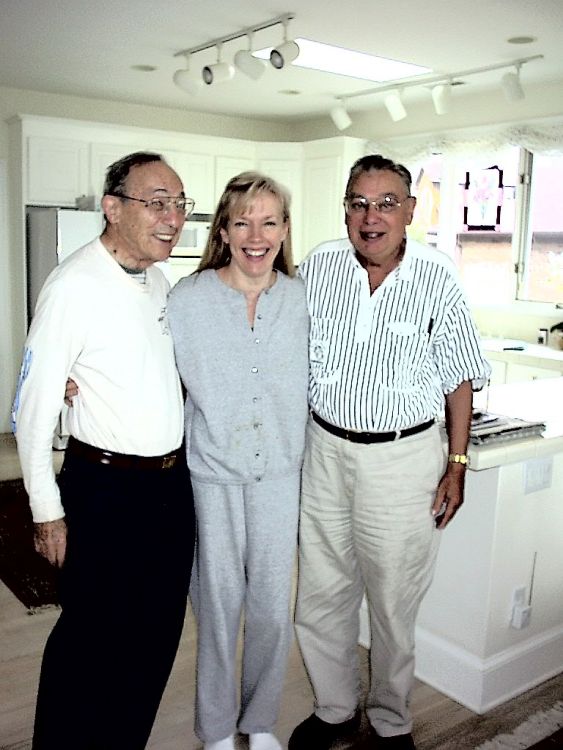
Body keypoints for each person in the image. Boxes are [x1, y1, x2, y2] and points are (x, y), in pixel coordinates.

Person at [289, 154, 490, 750]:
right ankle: (334, 709)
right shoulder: (318, 266)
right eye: (358, 203)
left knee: (393, 605)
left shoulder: (437, 276)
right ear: (345, 209)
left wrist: (457, 464)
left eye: (385, 203)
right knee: (321, 595)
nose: (370, 216)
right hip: (324, 452)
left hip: (403, 463)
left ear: (409, 211)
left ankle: (391, 720)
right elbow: (270, 329)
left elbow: (459, 377)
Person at [11, 151, 196, 750]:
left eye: (179, 204)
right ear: (113, 208)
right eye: (157, 203)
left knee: (156, 634)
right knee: (90, 640)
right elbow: (32, 410)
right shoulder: (73, 286)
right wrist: (46, 511)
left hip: (169, 488)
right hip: (106, 489)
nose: (173, 218)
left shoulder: (159, 281)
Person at [166, 172, 309, 750]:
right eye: (242, 222)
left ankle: (260, 720)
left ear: (285, 229)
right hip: (212, 477)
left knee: (273, 609)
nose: (256, 235)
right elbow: (143, 364)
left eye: (269, 221)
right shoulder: (186, 299)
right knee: (218, 608)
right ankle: (219, 728)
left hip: (280, 474)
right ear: (223, 231)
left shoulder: (302, 300)